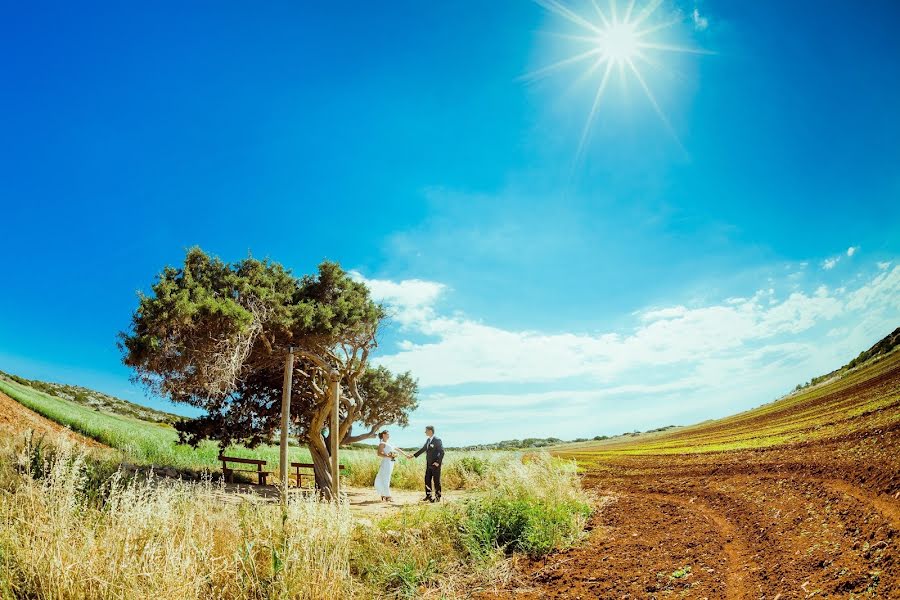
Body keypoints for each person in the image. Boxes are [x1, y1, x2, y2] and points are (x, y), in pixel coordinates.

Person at [374, 430, 410, 502]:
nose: (389, 436)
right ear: (383, 435)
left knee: (387, 477)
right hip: (386, 462)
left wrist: (406, 455)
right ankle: (388, 496)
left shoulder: (390, 443)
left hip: (391, 462)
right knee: (386, 478)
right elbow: (379, 453)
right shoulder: (382, 443)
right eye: (387, 434)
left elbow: (398, 449)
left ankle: (383, 494)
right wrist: (388, 456)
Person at [413, 425, 444, 502]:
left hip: (435, 464)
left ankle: (437, 497)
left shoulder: (437, 440)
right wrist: (413, 455)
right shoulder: (428, 440)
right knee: (427, 479)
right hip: (428, 464)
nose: (425, 432)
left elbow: (442, 452)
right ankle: (428, 495)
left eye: (426, 430)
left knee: (436, 481)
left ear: (430, 431)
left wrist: (438, 462)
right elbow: (423, 449)